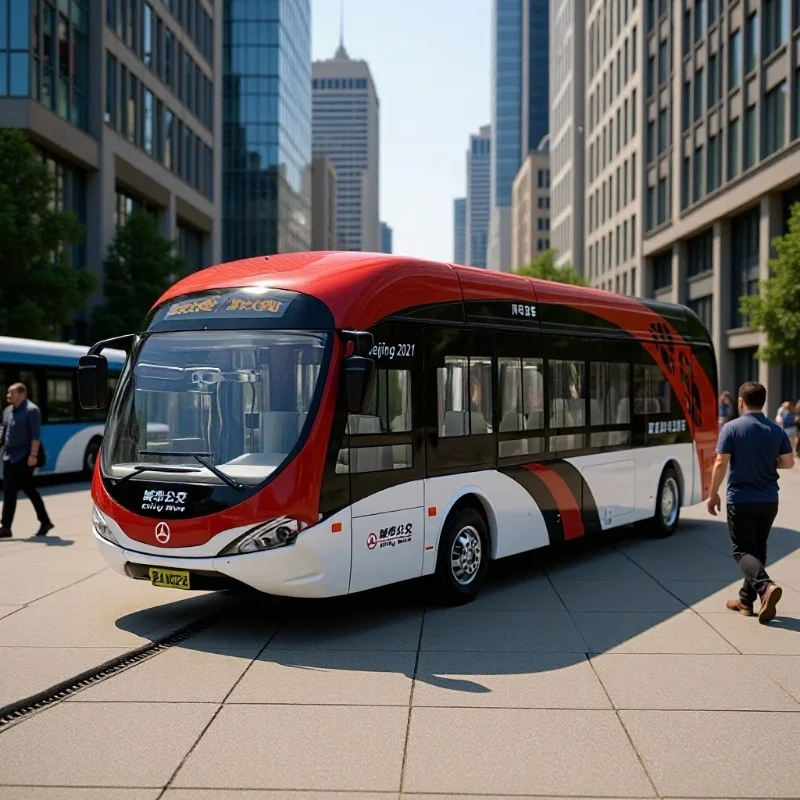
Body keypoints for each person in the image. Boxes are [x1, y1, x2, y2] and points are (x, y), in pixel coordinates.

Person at [706, 382, 795, 623]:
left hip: (741, 499)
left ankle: (765, 588)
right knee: (758, 548)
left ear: (740, 402)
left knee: (741, 550)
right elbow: (789, 463)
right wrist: (768, 463)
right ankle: (746, 600)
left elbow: (720, 463)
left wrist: (713, 493)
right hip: (768, 500)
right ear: (763, 402)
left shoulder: (732, 428)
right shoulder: (776, 430)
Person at [0, 383, 53, 538]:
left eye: (12, 392)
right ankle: (44, 521)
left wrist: (33, 455)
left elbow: (35, 435)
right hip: (9, 456)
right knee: (21, 490)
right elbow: (4, 430)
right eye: (8, 392)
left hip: (24, 457)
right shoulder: (8, 410)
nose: (8, 395)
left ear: (23, 394)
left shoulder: (32, 410)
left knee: (16, 490)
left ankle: (6, 527)